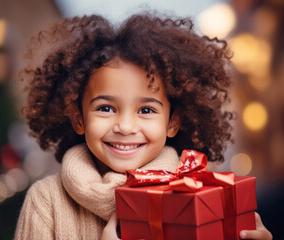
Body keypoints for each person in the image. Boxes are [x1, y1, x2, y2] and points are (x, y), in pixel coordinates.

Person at [14, 13, 272, 240]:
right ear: (78, 118)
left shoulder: (203, 200)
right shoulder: (45, 201)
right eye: (105, 108)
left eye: (146, 110)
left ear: (172, 122)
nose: (125, 127)